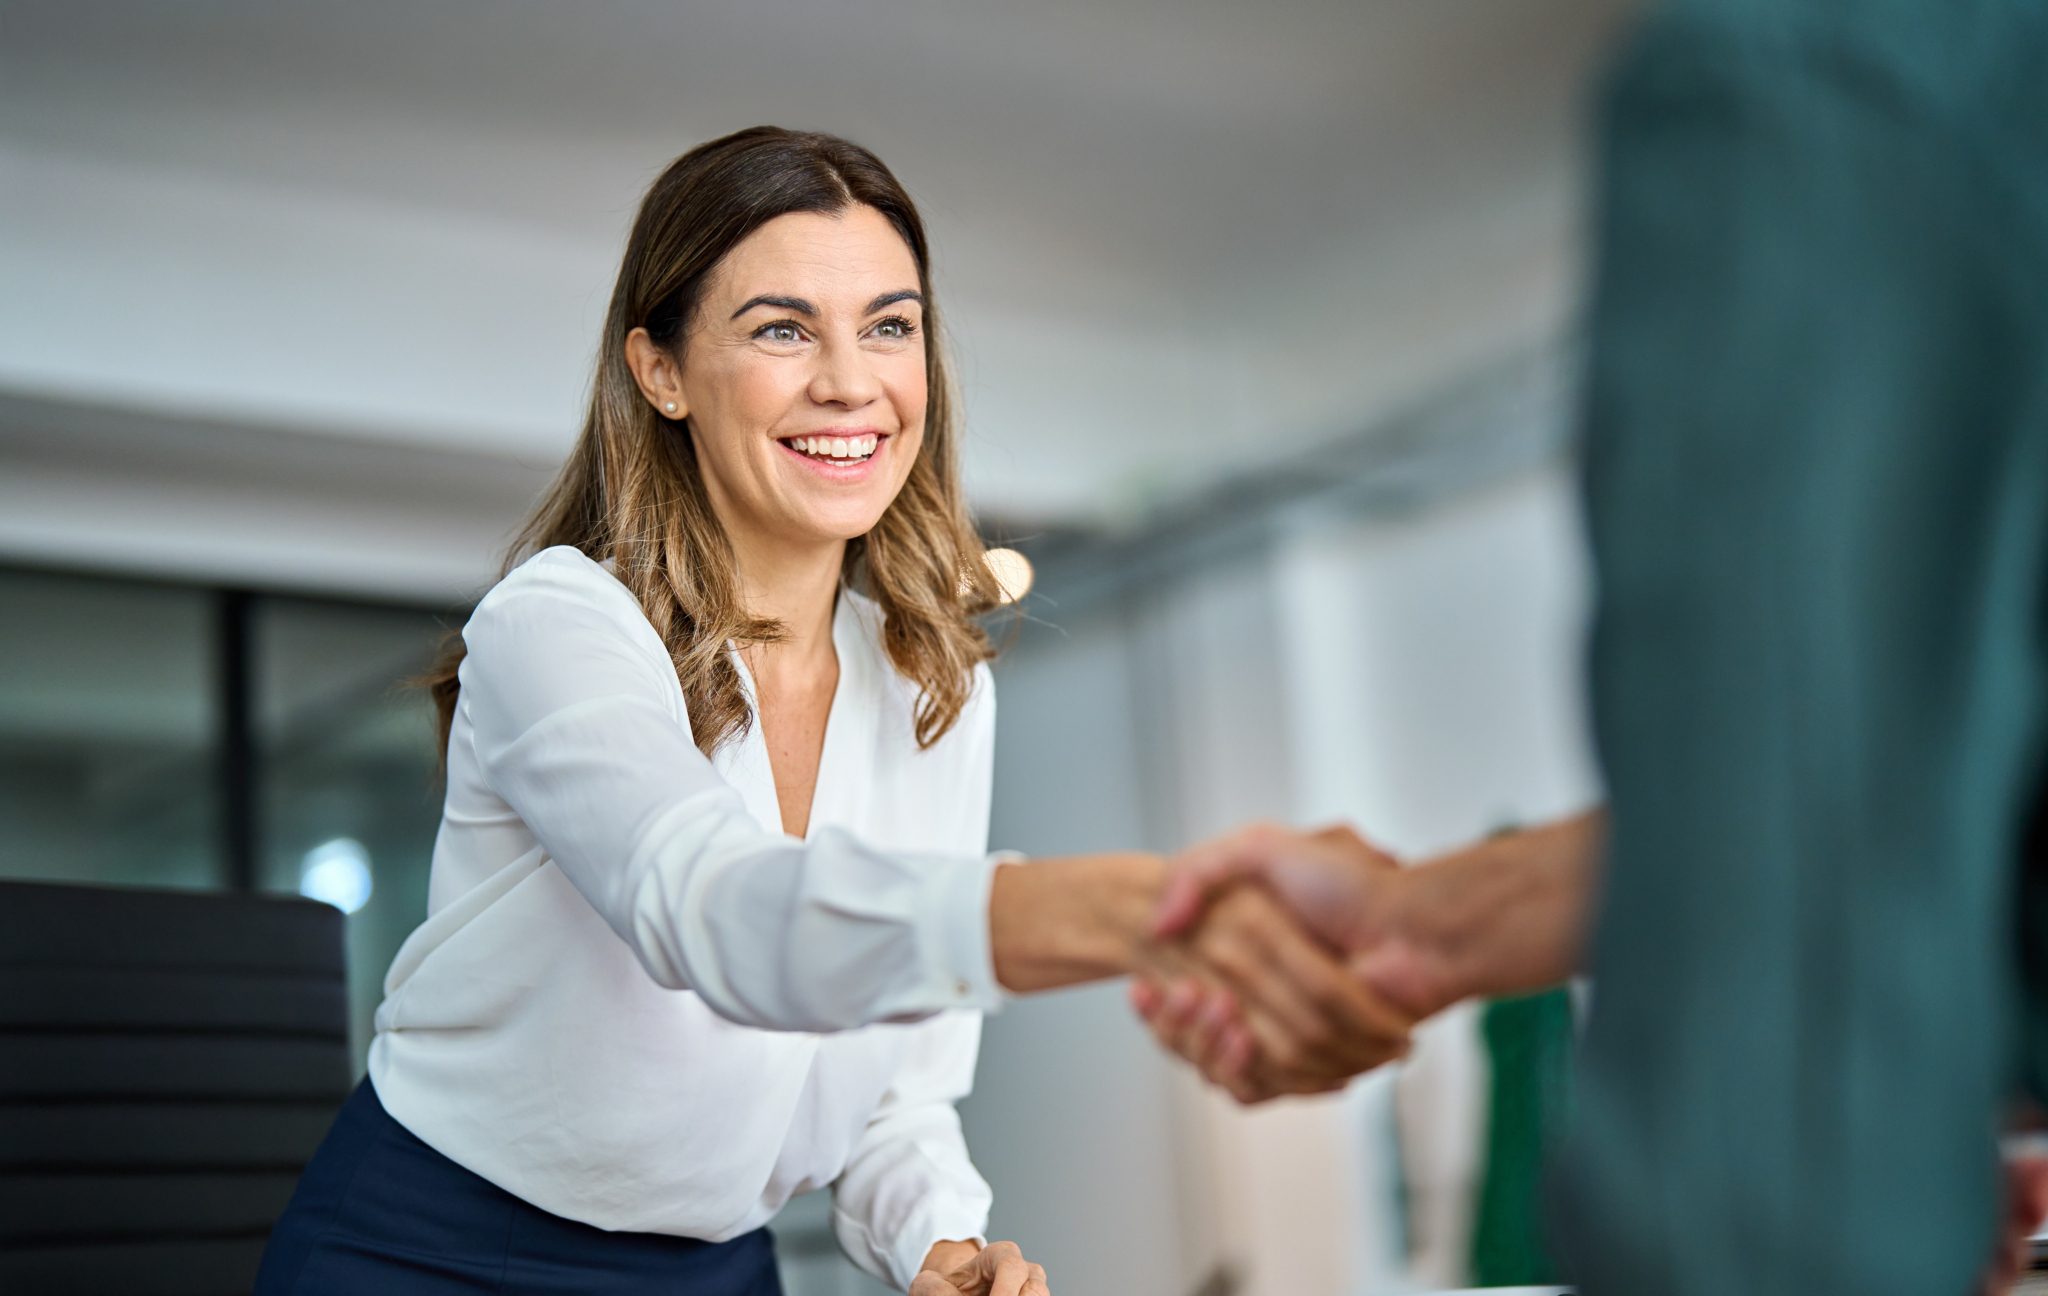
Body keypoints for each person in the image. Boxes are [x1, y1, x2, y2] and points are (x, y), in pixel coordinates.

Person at [257, 126, 1409, 1296]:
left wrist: (936, 1242)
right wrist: (1144, 910)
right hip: (434, 1252)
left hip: (714, 1267)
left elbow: (897, 1084)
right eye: (782, 329)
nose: (851, 383)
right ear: (659, 371)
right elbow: (709, 911)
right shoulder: (558, 623)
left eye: (889, 327)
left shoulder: (931, 685)